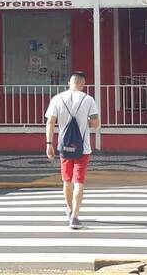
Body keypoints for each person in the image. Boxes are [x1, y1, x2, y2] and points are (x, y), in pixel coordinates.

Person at [45, 71, 100, 230]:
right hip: (83, 148)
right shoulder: (88, 99)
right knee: (79, 182)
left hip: (64, 146)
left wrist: (49, 143)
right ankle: (75, 217)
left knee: (67, 180)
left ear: (70, 82)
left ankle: (69, 210)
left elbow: (50, 122)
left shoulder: (57, 98)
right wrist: (86, 123)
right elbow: (95, 123)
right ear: (83, 84)